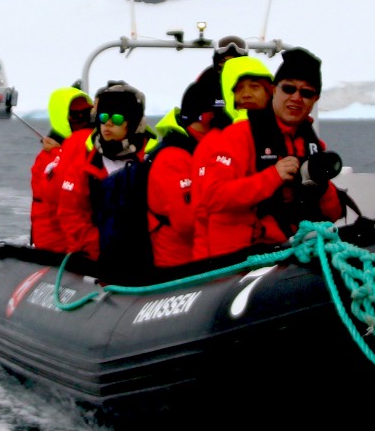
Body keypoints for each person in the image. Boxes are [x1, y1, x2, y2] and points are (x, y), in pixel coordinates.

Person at [191, 48, 343, 259]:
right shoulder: (238, 136)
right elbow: (213, 197)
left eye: (306, 93)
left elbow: (332, 214)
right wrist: (273, 176)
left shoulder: (313, 144)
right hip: (239, 261)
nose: (296, 98)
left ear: (315, 99)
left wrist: (322, 185)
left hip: (293, 253)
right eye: (288, 89)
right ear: (274, 90)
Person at [56, 81, 157, 273]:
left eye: (117, 119)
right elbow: (71, 214)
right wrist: (101, 250)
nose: (108, 124)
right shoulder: (86, 162)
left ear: (132, 122)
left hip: (145, 260)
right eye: (103, 117)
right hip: (99, 260)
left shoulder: (152, 159)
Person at [144, 73, 221, 268]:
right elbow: (186, 223)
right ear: (203, 118)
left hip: (204, 260)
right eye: (216, 119)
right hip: (179, 268)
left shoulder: (201, 152)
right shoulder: (173, 158)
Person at [30, 86, 92, 251]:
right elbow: (56, 193)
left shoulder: (87, 146)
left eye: (87, 113)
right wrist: (60, 153)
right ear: (62, 117)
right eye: (76, 115)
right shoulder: (48, 158)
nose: (84, 119)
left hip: (80, 242)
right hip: (57, 245)